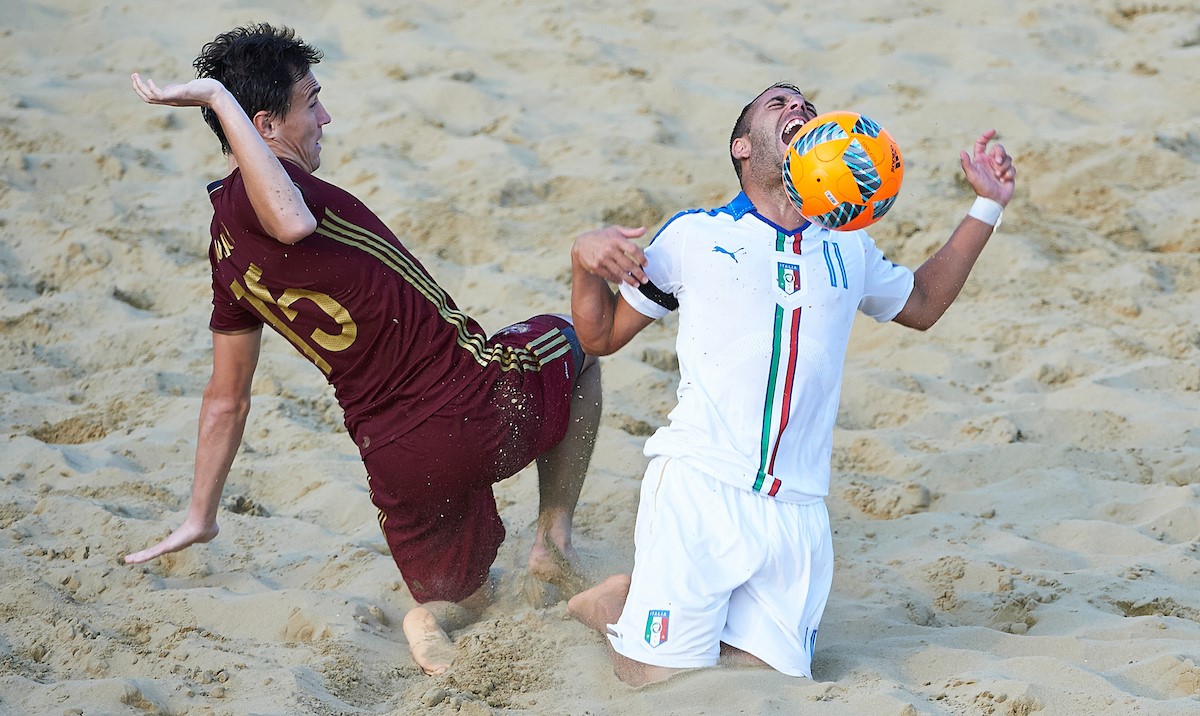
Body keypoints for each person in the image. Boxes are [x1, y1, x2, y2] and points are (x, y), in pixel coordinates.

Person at [123, 23, 601, 677]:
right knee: (574, 344)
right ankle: (552, 540)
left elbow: (225, 399)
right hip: (475, 406)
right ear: (261, 124)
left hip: (397, 462)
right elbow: (289, 219)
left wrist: (200, 515)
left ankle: (430, 618)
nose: (325, 116)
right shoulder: (280, 199)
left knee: (462, 599)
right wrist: (214, 94)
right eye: (311, 101)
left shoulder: (225, 252)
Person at [565, 82, 1016, 685]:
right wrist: (583, 259)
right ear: (743, 147)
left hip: (797, 511)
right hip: (700, 486)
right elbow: (599, 338)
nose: (798, 110)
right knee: (664, 686)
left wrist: (987, 205)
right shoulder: (695, 236)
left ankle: (644, 601)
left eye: (804, 104)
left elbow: (924, 303)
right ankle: (611, 606)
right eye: (778, 105)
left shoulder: (849, 244)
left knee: (761, 688)